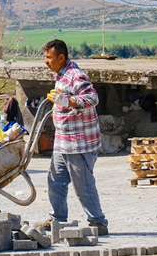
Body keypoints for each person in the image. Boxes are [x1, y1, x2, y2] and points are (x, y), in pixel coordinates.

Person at [40, 39, 109, 235]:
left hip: (79, 142)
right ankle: (57, 219)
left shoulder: (75, 75)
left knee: (83, 184)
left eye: (49, 58)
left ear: (61, 57)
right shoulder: (60, 75)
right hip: (63, 141)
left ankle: (98, 222)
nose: (46, 61)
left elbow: (92, 98)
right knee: (55, 180)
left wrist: (67, 101)